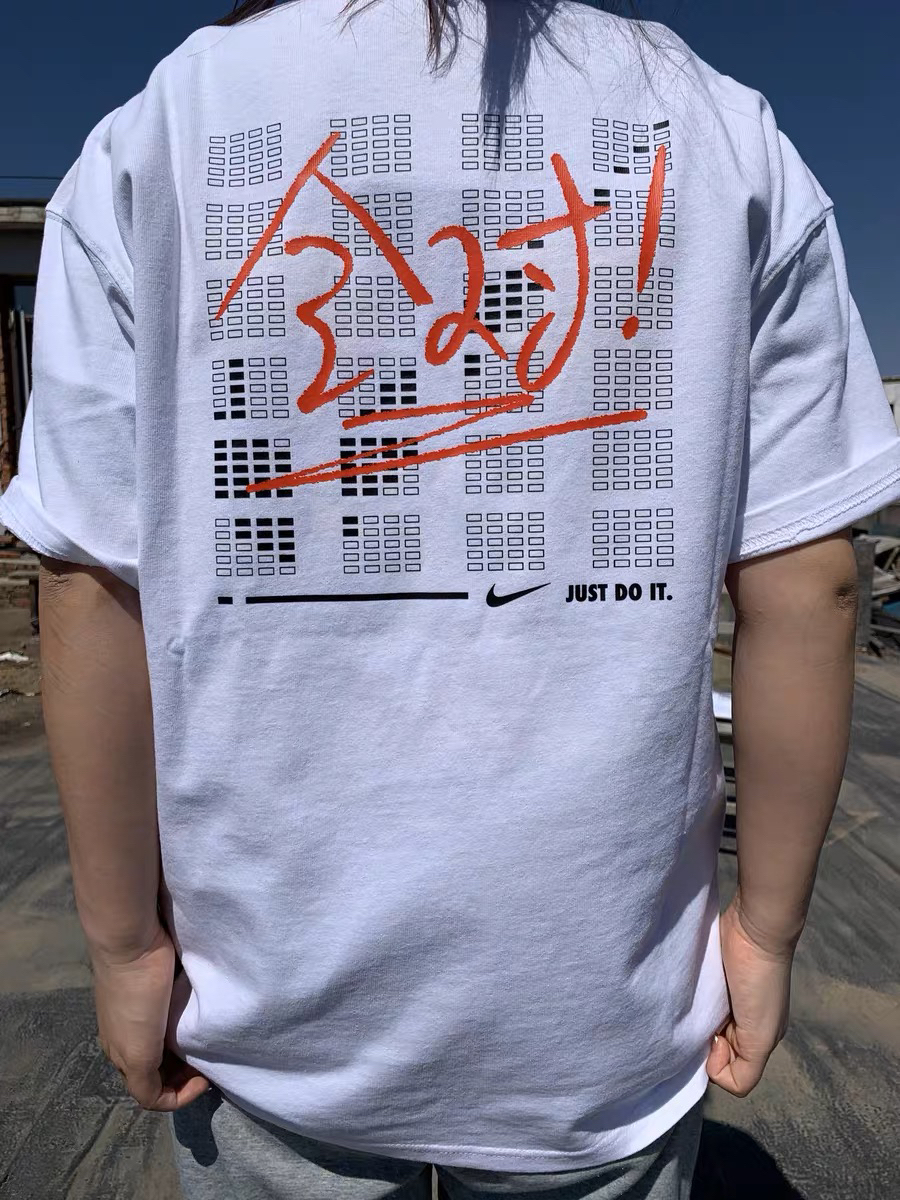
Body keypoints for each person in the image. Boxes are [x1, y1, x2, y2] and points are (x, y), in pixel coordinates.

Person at [2, 0, 899, 1196]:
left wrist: (123, 943)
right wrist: (767, 927)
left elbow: (87, 584)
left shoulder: (159, 127)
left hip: (270, 1008)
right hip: (599, 1015)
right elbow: (811, 582)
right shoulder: (721, 128)